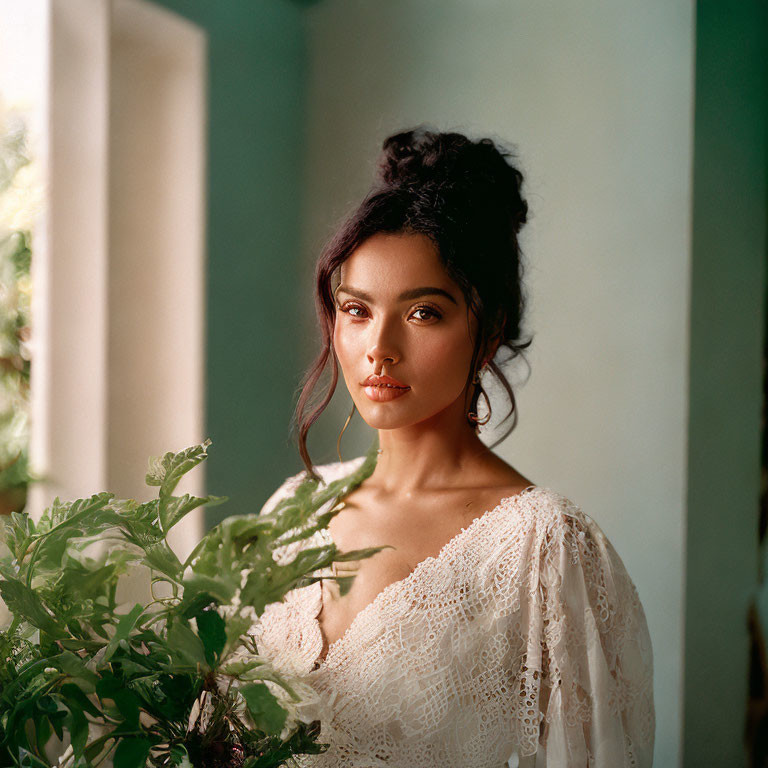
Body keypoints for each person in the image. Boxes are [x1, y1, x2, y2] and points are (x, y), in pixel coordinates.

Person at [252, 127, 655, 767]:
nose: (378, 346)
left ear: (489, 329)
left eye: (423, 313)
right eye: (357, 310)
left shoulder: (547, 547)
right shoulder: (293, 508)